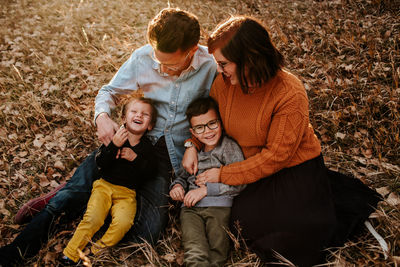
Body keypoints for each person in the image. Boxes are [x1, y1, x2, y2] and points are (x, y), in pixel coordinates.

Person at [0, 7, 217, 266]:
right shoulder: (143, 57)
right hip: (129, 141)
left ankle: (85, 200)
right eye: (157, 61)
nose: (161, 67)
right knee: (67, 199)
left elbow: (214, 117)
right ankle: (19, 246)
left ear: (192, 51)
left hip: (164, 158)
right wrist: (102, 117)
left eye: (169, 65)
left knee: (146, 233)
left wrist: (193, 143)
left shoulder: (210, 66)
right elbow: (109, 92)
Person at [182, 16, 381, 266]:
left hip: (291, 167)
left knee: (288, 236)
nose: (219, 70)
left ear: (248, 59)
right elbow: (209, 122)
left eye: (224, 63)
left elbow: (276, 156)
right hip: (246, 164)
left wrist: (223, 174)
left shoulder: (289, 91)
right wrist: (193, 145)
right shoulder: (223, 84)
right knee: (235, 219)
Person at [62, 97, 157, 264]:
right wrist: (114, 145)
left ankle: (95, 251)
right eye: (134, 112)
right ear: (123, 119)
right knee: (93, 218)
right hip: (104, 186)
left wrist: (135, 158)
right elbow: (100, 163)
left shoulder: (147, 147)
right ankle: (70, 253)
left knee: (123, 223)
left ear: (150, 125)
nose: (139, 115)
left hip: (127, 194)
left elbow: (150, 173)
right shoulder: (116, 137)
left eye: (145, 114)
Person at [169, 97, 245, 266]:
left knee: (218, 250)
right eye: (200, 128)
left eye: (212, 123)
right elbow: (182, 175)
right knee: (194, 247)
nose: (208, 131)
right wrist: (177, 186)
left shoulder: (228, 147)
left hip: (219, 208)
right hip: (190, 209)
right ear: (193, 132)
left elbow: (239, 182)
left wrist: (206, 190)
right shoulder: (193, 152)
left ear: (221, 122)